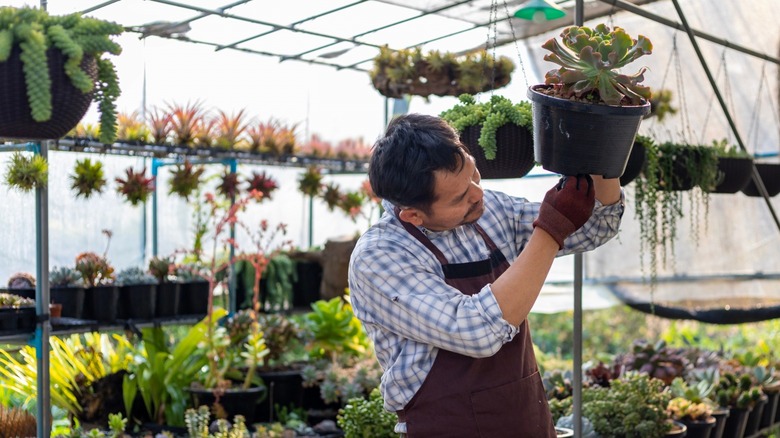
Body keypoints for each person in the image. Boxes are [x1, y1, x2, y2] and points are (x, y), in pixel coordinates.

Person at [347, 114, 624, 437]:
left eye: (474, 175)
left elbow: (594, 227)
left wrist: (603, 142)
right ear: (413, 215)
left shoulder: (490, 210)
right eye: (460, 197)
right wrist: (550, 229)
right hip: (449, 425)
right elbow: (477, 331)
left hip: (525, 418)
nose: (478, 194)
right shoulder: (380, 257)